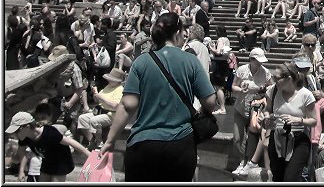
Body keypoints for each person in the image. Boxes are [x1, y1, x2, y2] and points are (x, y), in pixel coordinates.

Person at [100, 13, 217, 181]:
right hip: (180, 145)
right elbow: (210, 102)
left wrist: (110, 140)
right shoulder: (191, 61)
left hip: (143, 144)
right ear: (177, 33)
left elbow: (128, 105)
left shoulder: (141, 62)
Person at [263, 62, 317, 181]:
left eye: (276, 78)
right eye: (273, 77)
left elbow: (314, 121)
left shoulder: (305, 95)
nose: (274, 80)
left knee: (290, 177)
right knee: (277, 177)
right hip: (277, 138)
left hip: (298, 139)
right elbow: (267, 109)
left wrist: (297, 120)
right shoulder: (273, 90)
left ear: (288, 78)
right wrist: (267, 118)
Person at [6, 110, 91, 181]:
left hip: (61, 162)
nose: (14, 134)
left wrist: (89, 155)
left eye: (16, 131)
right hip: (47, 161)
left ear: (27, 127)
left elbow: (70, 141)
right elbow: (20, 156)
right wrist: (21, 171)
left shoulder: (49, 133)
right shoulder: (24, 138)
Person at [231, 47, 272, 176]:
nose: (260, 63)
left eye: (261, 61)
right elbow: (233, 86)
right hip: (240, 108)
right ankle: (241, 161)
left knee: (251, 138)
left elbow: (271, 88)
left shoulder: (265, 72)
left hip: (255, 109)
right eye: (258, 60)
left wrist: (262, 91)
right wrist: (240, 90)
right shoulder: (242, 70)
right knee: (237, 138)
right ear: (251, 59)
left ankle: (248, 162)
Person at [76, 68, 126, 148]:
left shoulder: (120, 89)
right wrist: (95, 93)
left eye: (111, 80)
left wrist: (101, 97)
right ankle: (92, 141)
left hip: (111, 114)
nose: (109, 81)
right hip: (100, 111)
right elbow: (97, 101)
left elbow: (115, 105)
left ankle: (99, 142)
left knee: (94, 121)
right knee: (82, 118)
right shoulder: (108, 87)